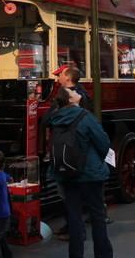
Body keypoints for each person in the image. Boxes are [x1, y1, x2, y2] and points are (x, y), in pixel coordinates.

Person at [50, 88, 113, 258]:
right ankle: (103, 254)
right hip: (90, 174)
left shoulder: (56, 119)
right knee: (97, 216)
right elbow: (103, 142)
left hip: (67, 174)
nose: (76, 91)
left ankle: (75, 254)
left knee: (74, 217)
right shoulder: (85, 117)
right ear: (71, 100)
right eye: (72, 91)